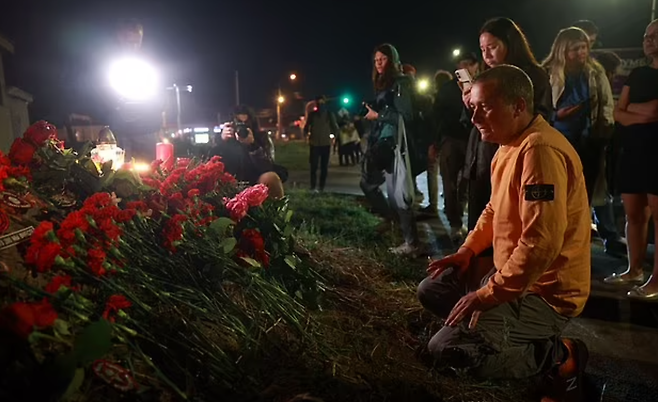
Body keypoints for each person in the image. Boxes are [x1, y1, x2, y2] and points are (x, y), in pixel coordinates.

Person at [417, 65, 591, 401]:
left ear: (519, 106)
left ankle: (560, 354)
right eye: (473, 108)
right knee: (432, 288)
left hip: (545, 292)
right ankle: (486, 328)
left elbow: (541, 243)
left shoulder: (539, 150)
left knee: (446, 348)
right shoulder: (508, 146)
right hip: (510, 275)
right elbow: (494, 210)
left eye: (485, 107)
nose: (474, 118)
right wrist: (467, 251)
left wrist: (487, 294)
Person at [463, 17, 553, 234]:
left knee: (510, 225)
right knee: (481, 224)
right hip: (483, 159)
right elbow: (476, 121)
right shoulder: (484, 78)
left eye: (492, 47)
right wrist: (471, 102)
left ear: (511, 43)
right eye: (482, 49)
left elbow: (540, 119)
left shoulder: (533, 76)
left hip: (515, 160)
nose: (486, 55)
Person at [543, 27, 624, 255]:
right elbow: (539, 108)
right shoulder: (549, 72)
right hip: (557, 141)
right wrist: (556, 115)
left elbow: (607, 104)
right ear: (563, 50)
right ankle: (556, 244)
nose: (581, 52)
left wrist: (604, 131)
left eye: (584, 47)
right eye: (575, 48)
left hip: (588, 141)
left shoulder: (595, 72)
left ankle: (578, 246)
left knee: (585, 194)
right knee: (558, 194)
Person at [604, 19, 658, 299]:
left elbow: (643, 113)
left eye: (654, 36)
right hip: (634, 152)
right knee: (633, 215)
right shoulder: (637, 74)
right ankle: (633, 270)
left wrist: (633, 112)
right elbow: (617, 113)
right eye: (646, 35)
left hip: (656, 154)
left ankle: (656, 282)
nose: (648, 40)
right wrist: (642, 111)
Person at [361, 43, 422, 256]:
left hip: (396, 145)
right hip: (383, 143)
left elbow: (406, 116)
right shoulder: (384, 84)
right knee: (383, 188)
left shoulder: (401, 83)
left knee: (400, 193)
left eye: (383, 59)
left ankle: (411, 242)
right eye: (376, 59)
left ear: (393, 60)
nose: (378, 63)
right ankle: (397, 227)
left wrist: (379, 116)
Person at [433, 53, 479, 240]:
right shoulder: (447, 89)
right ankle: (454, 222)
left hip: (473, 139)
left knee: (467, 182)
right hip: (451, 139)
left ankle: (466, 220)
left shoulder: (482, 86)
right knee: (449, 182)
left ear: (477, 66)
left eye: (470, 64)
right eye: (462, 65)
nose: (467, 68)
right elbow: (436, 116)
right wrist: (435, 141)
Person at [208, 104, 284, 199]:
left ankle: (275, 211)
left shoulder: (261, 138)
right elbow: (208, 164)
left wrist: (253, 146)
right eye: (239, 123)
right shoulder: (221, 138)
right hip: (228, 182)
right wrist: (221, 141)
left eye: (246, 123)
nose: (242, 127)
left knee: (271, 177)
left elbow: (269, 166)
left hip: (255, 181)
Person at [418, 70, 454, 218]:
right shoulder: (454, 97)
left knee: (432, 172)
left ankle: (433, 206)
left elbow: (433, 122)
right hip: (449, 139)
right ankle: (449, 205)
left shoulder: (435, 99)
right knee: (449, 175)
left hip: (437, 140)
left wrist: (433, 142)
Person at [304, 96, 339, 192]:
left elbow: (335, 128)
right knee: (313, 166)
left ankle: (321, 188)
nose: (320, 104)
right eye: (319, 102)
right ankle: (313, 187)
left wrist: (333, 137)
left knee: (324, 167)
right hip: (314, 144)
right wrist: (306, 136)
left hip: (325, 144)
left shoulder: (329, 114)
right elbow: (306, 127)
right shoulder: (312, 115)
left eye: (322, 102)